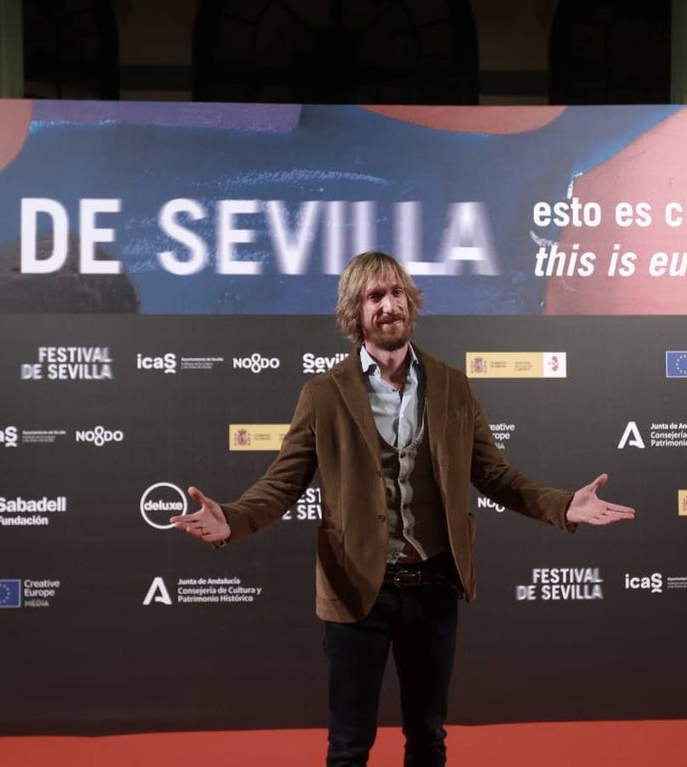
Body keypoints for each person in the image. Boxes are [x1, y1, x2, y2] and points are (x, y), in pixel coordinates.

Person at [172, 250, 635, 767]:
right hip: (355, 594)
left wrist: (564, 505)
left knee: (428, 738)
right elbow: (282, 485)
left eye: (396, 293)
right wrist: (231, 520)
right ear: (356, 313)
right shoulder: (323, 394)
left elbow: (496, 476)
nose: (388, 306)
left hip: (433, 587)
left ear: (410, 302)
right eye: (374, 297)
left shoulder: (452, 386)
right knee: (349, 746)